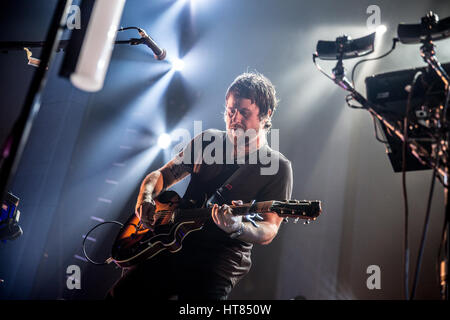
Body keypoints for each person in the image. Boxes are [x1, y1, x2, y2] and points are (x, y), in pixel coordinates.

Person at [106, 72, 293, 300]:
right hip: (171, 245)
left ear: (266, 115)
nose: (235, 119)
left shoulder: (277, 167)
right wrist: (144, 198)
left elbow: (269, 230)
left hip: (218, 264)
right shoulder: (208, 141)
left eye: (244, 113)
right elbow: (162, 175)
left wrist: (238, 227)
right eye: (231, 111)